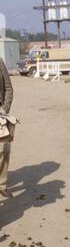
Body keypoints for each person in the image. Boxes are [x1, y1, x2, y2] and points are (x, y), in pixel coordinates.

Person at [0, 58, 14, 199]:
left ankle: (2, 187)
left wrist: (5, 108)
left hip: (0, 114)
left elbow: (8, 88)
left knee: (4, 149)